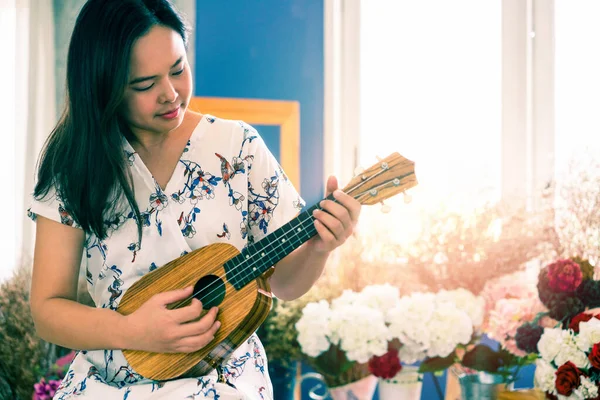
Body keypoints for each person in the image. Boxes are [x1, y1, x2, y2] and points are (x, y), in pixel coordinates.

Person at [27, 0, 361, 399]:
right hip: (109, 384)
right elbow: (47, 310)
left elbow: (285, 285)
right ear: (102, 85)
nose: (170, 94)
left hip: (222, 381)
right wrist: (134, 331)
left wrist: (319, 249)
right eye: (144, 84)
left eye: (178, 69)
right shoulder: (74, 164)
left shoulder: (237, 147)